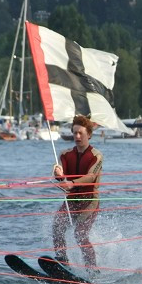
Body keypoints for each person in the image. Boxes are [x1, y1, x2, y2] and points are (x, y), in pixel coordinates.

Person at [52, 114, 102, 267]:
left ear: (89, 134)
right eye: (75, 133)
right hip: (72, 201)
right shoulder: (65, 154)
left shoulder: (96, 156)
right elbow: (60, 171)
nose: (77, 136)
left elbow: (91, 176)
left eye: (81, 133)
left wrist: (72, 183)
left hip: (89, 202)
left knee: (80, 234)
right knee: (57, 227)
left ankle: (92, 270)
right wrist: (57, 172)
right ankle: (63, 262)